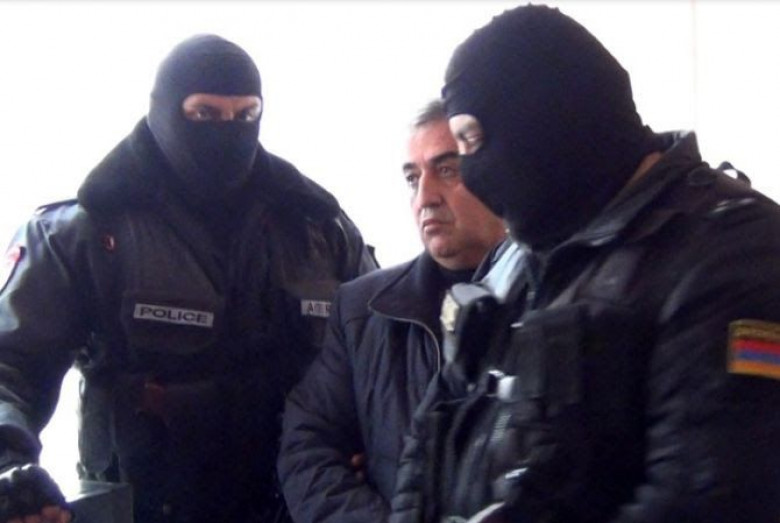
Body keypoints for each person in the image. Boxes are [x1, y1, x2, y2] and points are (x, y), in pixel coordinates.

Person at [390, 5, 780, 523]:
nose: (474, 173)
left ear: (548, 118)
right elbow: (432, 436)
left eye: (473, 142)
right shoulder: (521, 257)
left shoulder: (732, 252)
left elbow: (710, 496)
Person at [0, 34, 376, 523]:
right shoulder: (88, 233)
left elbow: (383, 355)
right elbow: (11, 367)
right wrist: (10, 467)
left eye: (246, 114)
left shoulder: (318, 228)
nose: (228, 130)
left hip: (301, 504)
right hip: (147, 508)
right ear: (165, 111)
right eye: (204, 113)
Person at [277, 100, 506, 523]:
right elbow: (307, 447)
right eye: (413, 178)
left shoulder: (552, 296)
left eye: (447, 170)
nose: (425, 197)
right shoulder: (363, 310)